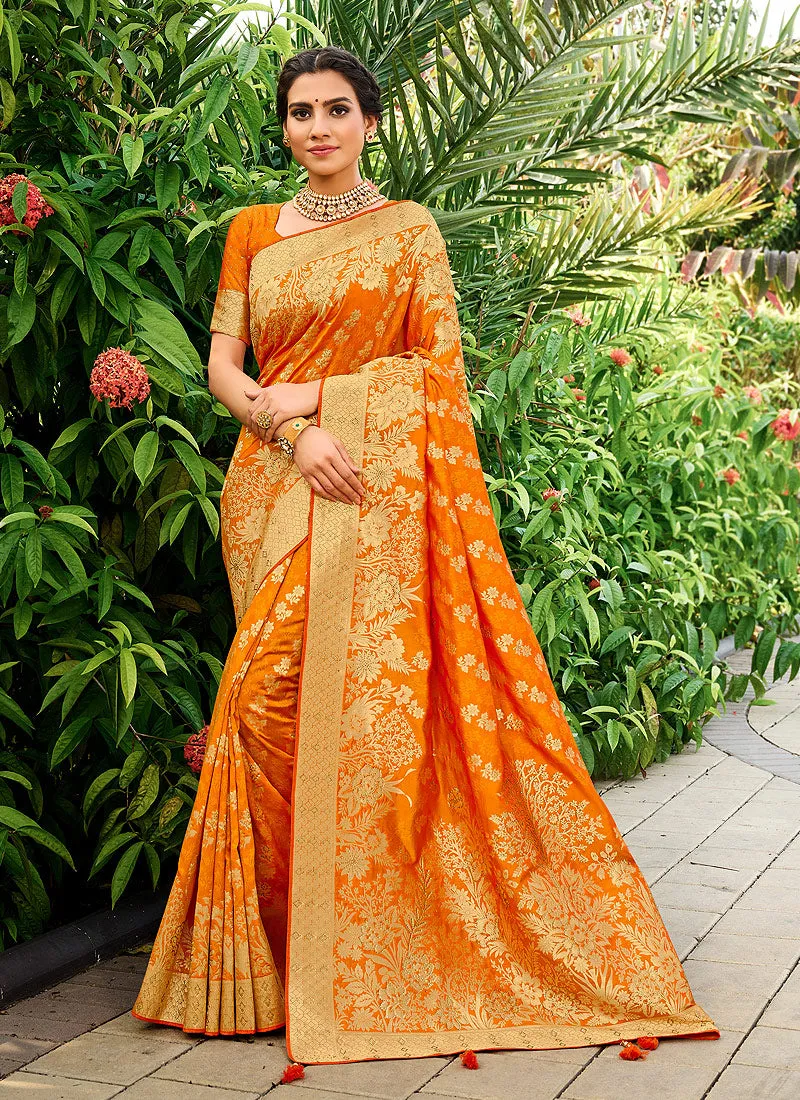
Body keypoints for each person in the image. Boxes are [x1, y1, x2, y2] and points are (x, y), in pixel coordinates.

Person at [131, 45, 720, 1066]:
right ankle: (264, 958)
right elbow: (223, 366)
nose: (316, 127)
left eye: (336, 110)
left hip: (366, 482)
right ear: (283, 127)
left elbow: (436, 370)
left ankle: (334, 954)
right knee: (268, 706)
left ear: (370, 121)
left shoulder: (407, 233)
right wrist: (286, 431)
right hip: (270, 488)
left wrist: (321, 403)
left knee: (294, 698)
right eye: (299, 112)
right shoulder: (249, 234)